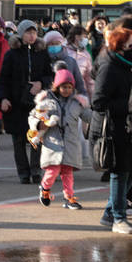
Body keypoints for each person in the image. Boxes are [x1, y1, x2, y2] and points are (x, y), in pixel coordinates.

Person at [91, 27, 132, 234]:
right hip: (113, 128)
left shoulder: (130, 66)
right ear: (120, 47)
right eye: (131, 45)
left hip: (129, 126)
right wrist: (129, 105)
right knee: (120, 172)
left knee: (131, 170)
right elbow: (98, 101)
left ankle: (111, 211)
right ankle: (118, 217)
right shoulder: (110, 67)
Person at [0, 20, 53, 184]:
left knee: (36, 137)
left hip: (37, 103)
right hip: (16, 102)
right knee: (19, 139)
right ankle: (23, 172)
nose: (31, 36)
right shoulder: (11, 54)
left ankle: (35, 170)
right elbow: (3, 79)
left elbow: (49, 74)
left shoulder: (42, 52)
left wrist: (41, 84)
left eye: (34, 32)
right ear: (21, 34)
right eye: (28, 32)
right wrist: (3, 98)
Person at [33, 69, 92, 209]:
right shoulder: (46, 101)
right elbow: (35, 116)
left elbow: (88, 116)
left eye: (70, 87)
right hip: (53, 144)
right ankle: (45, 189)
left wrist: (100, 115)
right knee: (52, 170)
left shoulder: (77, 103)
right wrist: (39, 124)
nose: (67, 90)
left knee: (67, 173)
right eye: (64, 87)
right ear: (57, 86)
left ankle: (69, 198)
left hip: (70, 144)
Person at [43, 30, 87, 96]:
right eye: (51, 44)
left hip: (69, 100)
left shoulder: (71, 61)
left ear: (61, 44)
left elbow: (79, 83)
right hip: (49, 99)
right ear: (46, 45)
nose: (54, 46)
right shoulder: (43, 61)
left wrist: (84, 99)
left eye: (57, 43)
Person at [65, 25, 94, 98]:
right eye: (84, 36)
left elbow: (89, 79)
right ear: (77, 37)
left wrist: (92, 96)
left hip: (80, 93)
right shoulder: (64, 51)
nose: (86, 39)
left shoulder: (86, 54)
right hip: (64, 91)